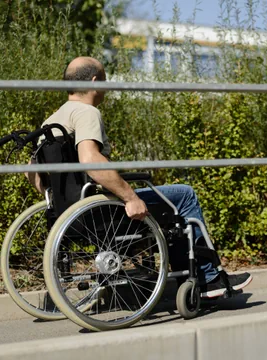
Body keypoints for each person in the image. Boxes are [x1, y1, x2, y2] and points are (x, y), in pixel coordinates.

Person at [27, 56, 252, 298]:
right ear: (94, 82)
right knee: (184, 195)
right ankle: (209, 278)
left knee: (164, 201)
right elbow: (91, 160)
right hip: (103, 211)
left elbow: (33, 173)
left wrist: (62, 200)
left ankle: (179, 274)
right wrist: (129, 196)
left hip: (74, 214)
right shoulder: (86, 112)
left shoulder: (50, 122)